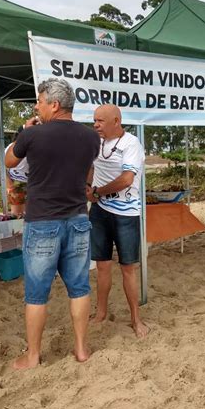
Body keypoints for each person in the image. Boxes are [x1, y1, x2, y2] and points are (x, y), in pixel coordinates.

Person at [5, 78, 100, 370]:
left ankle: (33, 356)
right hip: (78, 220)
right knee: (80, 287)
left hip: (43, 221)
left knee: (36, 293)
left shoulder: (33, 135)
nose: (37, 106)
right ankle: (81, 349)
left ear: (54, 104)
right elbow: (89, 169)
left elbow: (9, 162)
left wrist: (24, 132)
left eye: (40, 101)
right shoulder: (90, 137)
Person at [87, 104, 149, 338]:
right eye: (94, 120)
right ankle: (101, 313)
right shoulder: (97, 142)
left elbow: (126, 180)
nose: (95, 125)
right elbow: (92, 168)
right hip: (100, 212)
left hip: (126, 214)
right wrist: (87, 186)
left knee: (128, 268)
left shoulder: (131, 143)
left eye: (100, 121)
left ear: (116, 121)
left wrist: (98, 191)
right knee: (102, 266)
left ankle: (136, 319)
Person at [5, 127, 29, 215]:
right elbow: (3, 167)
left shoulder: (33, 145)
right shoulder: (11, 147)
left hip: (31, 182)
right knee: (17, 214)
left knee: (30, 213)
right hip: (16, 182)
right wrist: (9, 185)